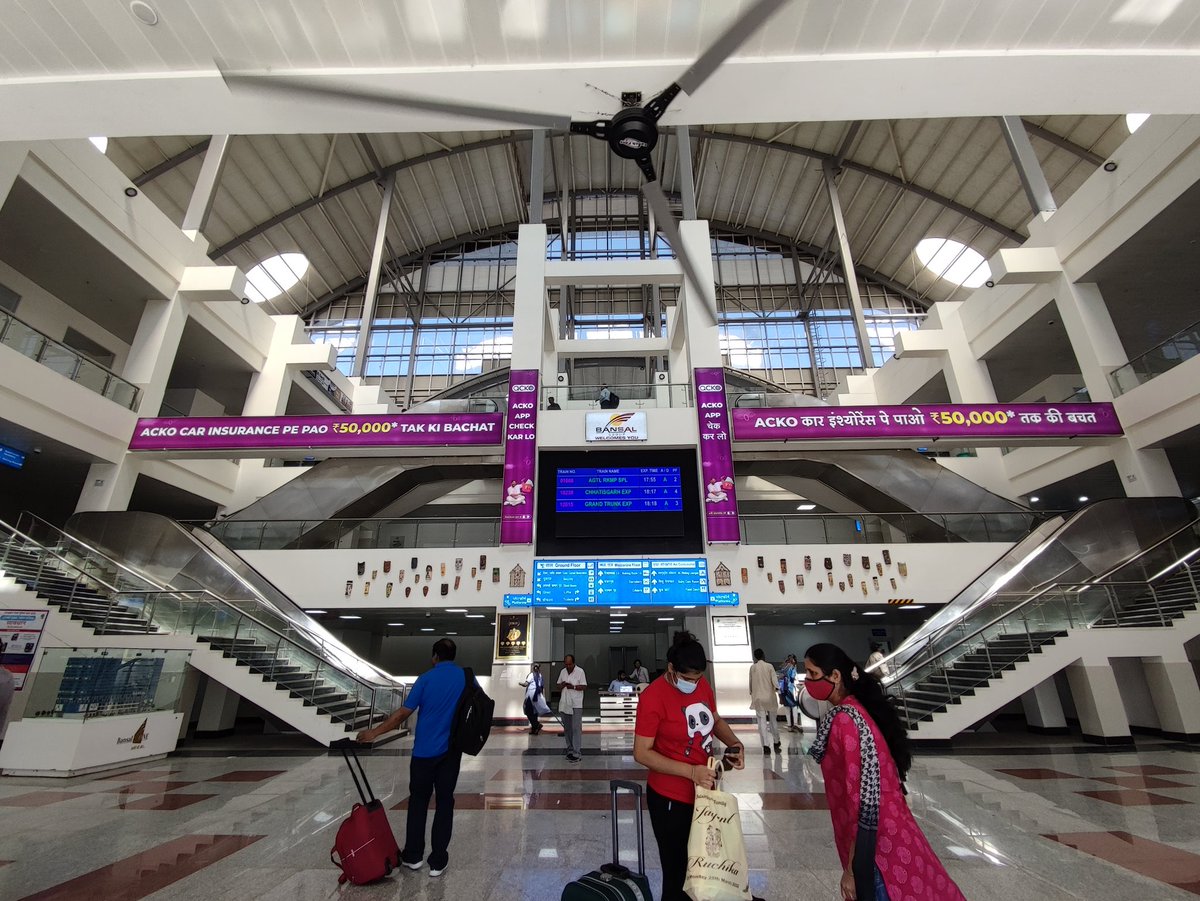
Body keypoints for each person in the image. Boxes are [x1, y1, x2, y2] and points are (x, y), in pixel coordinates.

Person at [804, 643, 965, 901]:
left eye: (812, 674)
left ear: (835, 676)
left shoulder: (846, 720)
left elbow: (862, 800)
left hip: (876, 846)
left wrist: (852, 870)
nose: (808, 682)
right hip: (892, 827)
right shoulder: (860, 709)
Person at [634, 631, 744, 901]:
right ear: (671, 669)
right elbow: (641, 753)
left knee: (702, 868)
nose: (693, 684)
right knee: (677, 873)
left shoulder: (702, 684)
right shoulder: (653, 697)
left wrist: (735, 743)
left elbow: (714, 719)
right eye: (687, 678)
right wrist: (691, 772)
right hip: (670, 798)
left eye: (697, 678)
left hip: (705, 795)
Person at [357, 638, 470, 878]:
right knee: (445, 802)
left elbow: (402, 714)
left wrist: (373, 733)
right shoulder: (465, 678)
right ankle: (438, 860)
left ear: (434, 657)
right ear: (453, 656)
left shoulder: (425, 679)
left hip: (423, 753)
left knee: (418, 802)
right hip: (451, 752)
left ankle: (414, 855)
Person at [749, 648, 781, 754]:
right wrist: (778, 690)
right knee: (773, 721)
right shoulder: (769, 666)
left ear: (755, 657)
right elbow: (775, 682)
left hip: (758, 698)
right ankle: (776, 741)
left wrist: (752, 693)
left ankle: (766, 745)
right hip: (769, 697)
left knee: (762, 722)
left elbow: (750, 683)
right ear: (763, 655)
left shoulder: (752, 668)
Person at [557, 654, 587, 762]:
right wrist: (563, 684)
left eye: (570, 664)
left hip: (576, 704)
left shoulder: (580, 672)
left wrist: (573, 687)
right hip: (565, 703)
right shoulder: (563, 672)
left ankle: (577, 752)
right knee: (567, 728)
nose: (568, 666)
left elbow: (584, 686)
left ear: (574, 663)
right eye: (566, 664)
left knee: (576, 728)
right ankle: (569, 749)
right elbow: (558, 685)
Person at [519, 662, 545, 734]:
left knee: (528, 712)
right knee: (534, 713)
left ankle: (536, 725)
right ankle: (534, 729)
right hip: (537, 697)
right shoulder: (540, 675)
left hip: (530, 697)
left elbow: (526, 684)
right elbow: (542, 687)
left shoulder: (531, 675)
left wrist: (520, 683)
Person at [781, 653, 801, 732]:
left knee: (787, 707)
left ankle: (789, 725)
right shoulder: (792, 668)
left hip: (784, 689)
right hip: (791, 689)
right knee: (794, 706)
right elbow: (793, 678)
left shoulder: (784, 667)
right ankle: (795, 724)